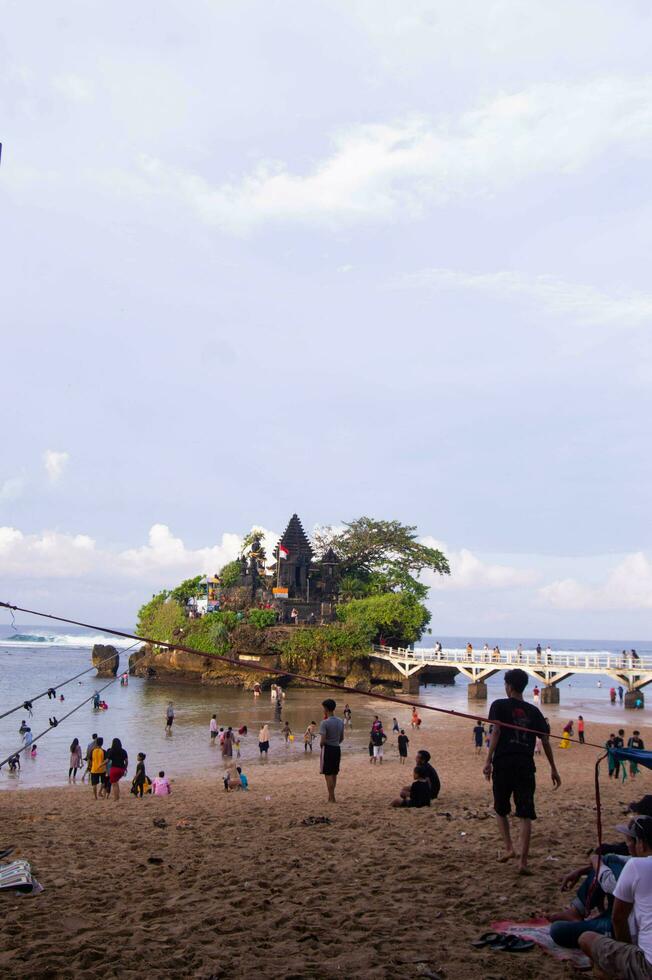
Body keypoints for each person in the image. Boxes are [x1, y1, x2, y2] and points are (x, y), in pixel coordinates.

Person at [483, 667, 561, 875]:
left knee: (501, 809)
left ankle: (509, 848)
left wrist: (488, 760)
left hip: (504, 763)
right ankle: (523, 862)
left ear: (508, 686)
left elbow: (496, 732)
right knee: (525, 814)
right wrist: (553, 768)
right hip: (526, 766)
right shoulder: (534, 712)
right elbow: (545, 740)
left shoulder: (498, 705)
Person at [579, 816, 652, 979]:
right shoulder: (634, 863)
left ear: (641, 843)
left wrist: (626, 949)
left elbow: (618, 918)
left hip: (646, 967)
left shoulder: (637, 865)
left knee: (585, 938)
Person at [319, 698, 344, 803]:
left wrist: (322, 745)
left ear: (326, 709)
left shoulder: (324, 723)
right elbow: (342, 738)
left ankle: (332, 797)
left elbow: (322, 740)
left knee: (328, 773)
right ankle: (331, 797)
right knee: (334, 773)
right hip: (337, 748)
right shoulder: (340, 721)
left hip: (328, 749)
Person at [105, 737, 128, 801]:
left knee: (114, 784)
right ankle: (118, 797)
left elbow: (107, 760)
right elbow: (126, 761)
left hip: (114, 769)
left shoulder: (112, 751)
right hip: (121, 770)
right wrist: (125, 768)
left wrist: (101, 765)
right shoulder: (123, 751)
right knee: (116, 783)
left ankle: (116, 798)